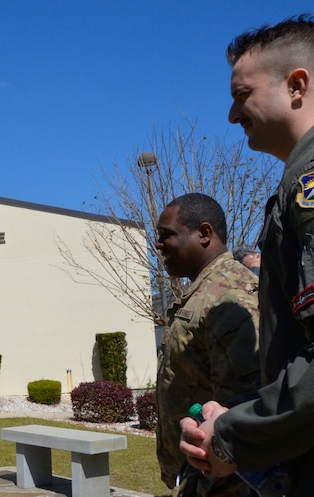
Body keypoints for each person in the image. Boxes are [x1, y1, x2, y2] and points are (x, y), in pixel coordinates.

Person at [179, 15, 314, 497]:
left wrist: (234, 433)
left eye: (242, 95)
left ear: (297, 85)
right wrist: (238, 417)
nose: (233, 115)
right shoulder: (291, 192)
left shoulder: (308, 190)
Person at [155, 193, 260, 497]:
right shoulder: (204, 291)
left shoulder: (230, 295)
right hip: (196, 475)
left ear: (204, 234)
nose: (159, 245)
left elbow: (243, 404)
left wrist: (207, 483)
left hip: (220, 482)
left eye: (167, 235)